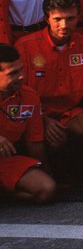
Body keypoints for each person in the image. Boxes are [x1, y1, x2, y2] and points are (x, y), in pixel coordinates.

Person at [15, 0, 83, 179]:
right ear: (47, 18)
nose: (64, 25)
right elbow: (19, 91)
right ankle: (47, 174)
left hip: (72, 111)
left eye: (70, 18)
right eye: (58, 19)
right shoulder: (25, 46)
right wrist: (43, 120)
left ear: (78, 16)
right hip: (37, 113)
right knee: (53, 141)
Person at [0, 43, 56, 203]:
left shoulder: (29, 97)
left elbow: (35, 144)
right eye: (13, 73)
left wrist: (47, 171)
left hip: (5, 162)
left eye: (21, 69)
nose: (22, 76)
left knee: (47, 189)